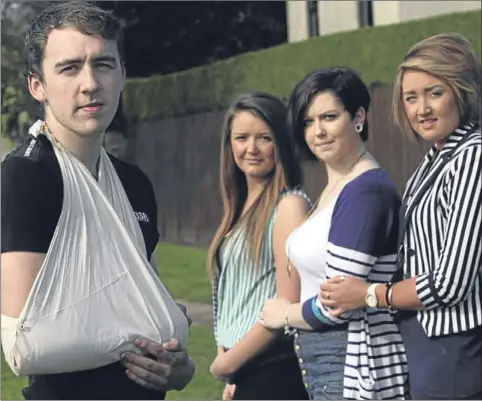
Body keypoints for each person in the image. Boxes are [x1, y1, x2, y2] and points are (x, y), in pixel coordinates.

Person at [1, 2, 194, 399]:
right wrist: (147, 330)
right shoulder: (25, 177)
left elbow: (151, 305)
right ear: (37, 85)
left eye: (103, 65)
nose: (90, 83)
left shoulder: (134, 184)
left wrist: (177, 368)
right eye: (69, 67)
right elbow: (28, 341)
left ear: (122, 75)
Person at [318, 33, 482, 400]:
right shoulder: (433, 161)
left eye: (434, 93)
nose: (421, 108)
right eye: (411, 97)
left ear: (462, 91)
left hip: (456, 347)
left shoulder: (473, 156)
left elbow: (449, 283)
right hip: (422, 342)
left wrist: (370, 294)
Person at [259, 67, 409, 400]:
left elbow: (338, 303)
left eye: (329, 117)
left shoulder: (365, 191)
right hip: (324, 358)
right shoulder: (335, 188)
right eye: (309, 122)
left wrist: (284, 314)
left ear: (358, 117)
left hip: (352, 360)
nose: (318, 132)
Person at [207, 91, 311, 400]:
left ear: (281, 143)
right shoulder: (238, 211)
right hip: (248, 373)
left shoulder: (289, 206)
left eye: (264, 138)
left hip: (275, 372)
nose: (251, 148)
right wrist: (233, 371)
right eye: (241, 137)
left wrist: (227, 362)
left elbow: (286, 305)